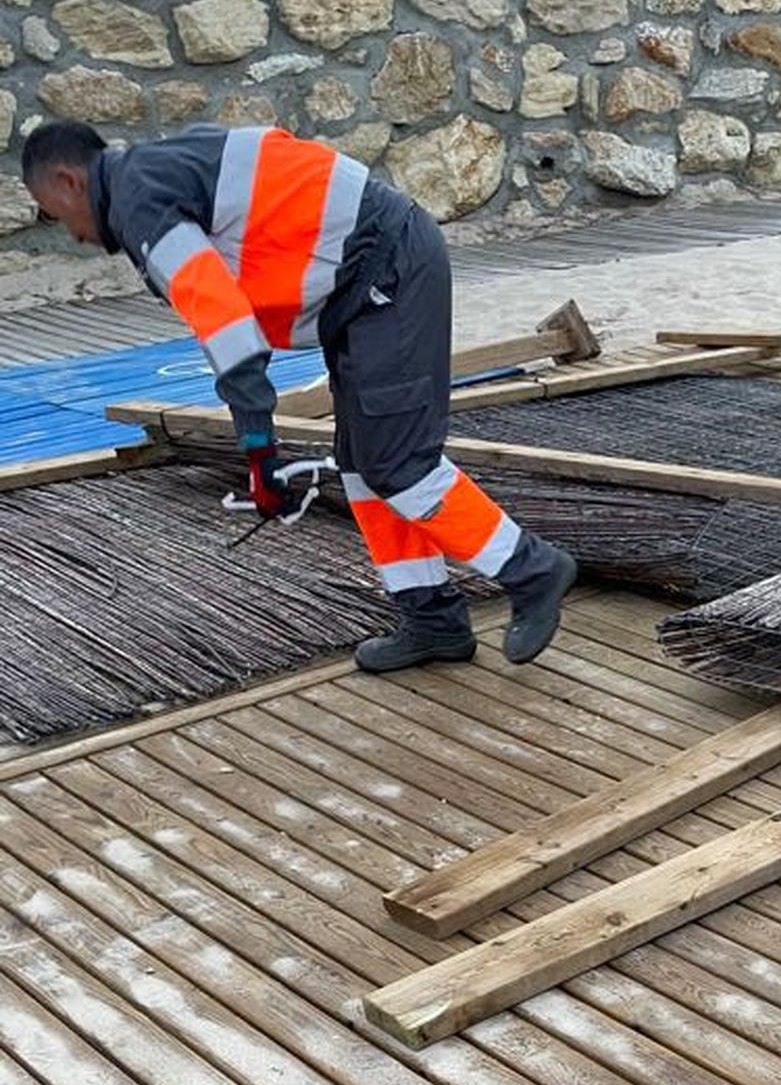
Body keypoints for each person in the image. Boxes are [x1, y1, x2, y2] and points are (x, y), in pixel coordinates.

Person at [21, 118, 576, 673]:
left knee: (398, 463)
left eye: (53, 213)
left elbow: (226, 326)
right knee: (362, 465)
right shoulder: (156, 174)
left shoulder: (139, 201)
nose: (70, 234)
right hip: (362, 288)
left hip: (388, 270)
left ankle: (532, 569)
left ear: (69, 181)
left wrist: (259, 453)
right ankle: (432, 620)